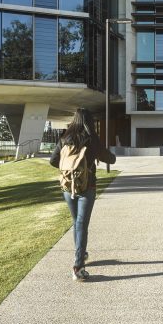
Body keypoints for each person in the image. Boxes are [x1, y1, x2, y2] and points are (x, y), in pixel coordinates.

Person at [49, 108, 116, 282]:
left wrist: (69, 169)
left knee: (76, 222)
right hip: (87, 187)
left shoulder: (65, 138)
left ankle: (81, 253)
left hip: (67, 187)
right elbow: (109, 158)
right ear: (89, 122)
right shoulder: (91, 139)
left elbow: (53, 160)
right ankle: (78, 267)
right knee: (81, 224)